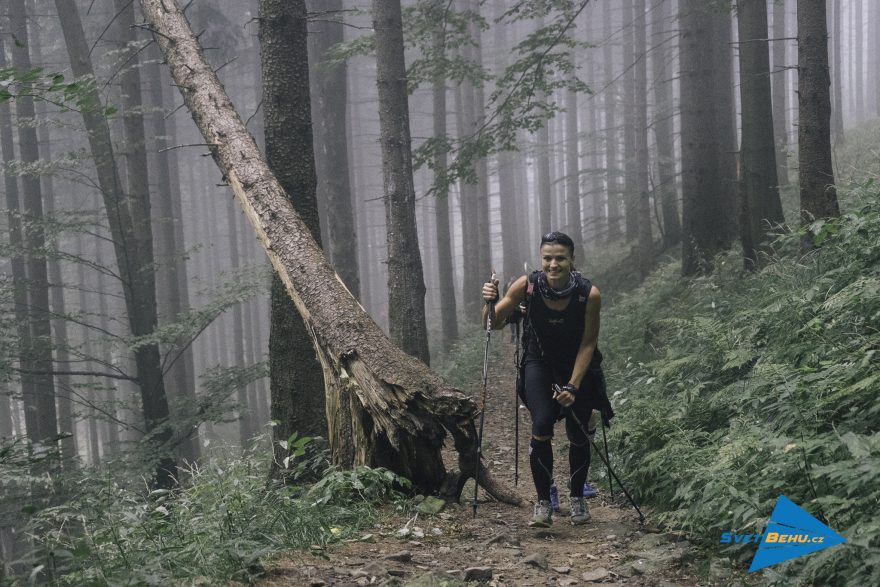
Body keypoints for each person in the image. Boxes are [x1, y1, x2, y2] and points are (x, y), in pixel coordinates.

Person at [481, 231, 613, 527]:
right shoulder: (527, 286)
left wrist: (573, 385)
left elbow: (589, 344)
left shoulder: (588, 293)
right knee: (541, 424)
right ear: (541, 260)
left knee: (578, 431)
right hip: (537, 362)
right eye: (548, 258)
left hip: (577, 366)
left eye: (560, 258)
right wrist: (489, 301)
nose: (553, 264)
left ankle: (577, 496)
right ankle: (543, 503)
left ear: (572, 260)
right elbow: (492, 324)